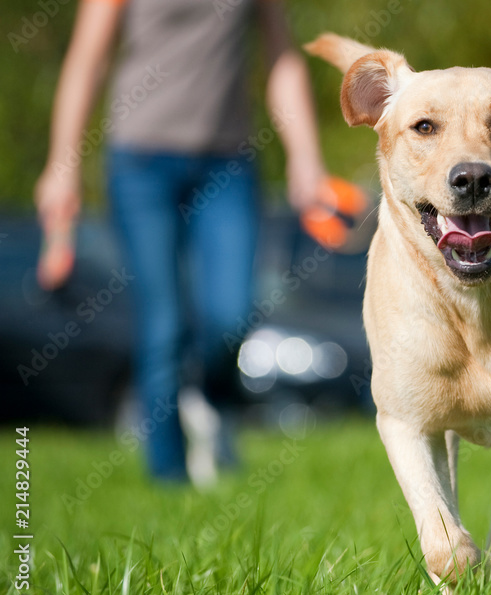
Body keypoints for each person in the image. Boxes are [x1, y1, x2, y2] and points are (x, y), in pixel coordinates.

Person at [33, 0, 328, 483]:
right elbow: (87, 59)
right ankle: (168, 479)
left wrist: (305, 157)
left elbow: (282, 56)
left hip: (228, 163)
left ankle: (214, 409)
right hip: (141, 164)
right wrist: (61, 166)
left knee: (232, 315)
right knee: (164, 326)